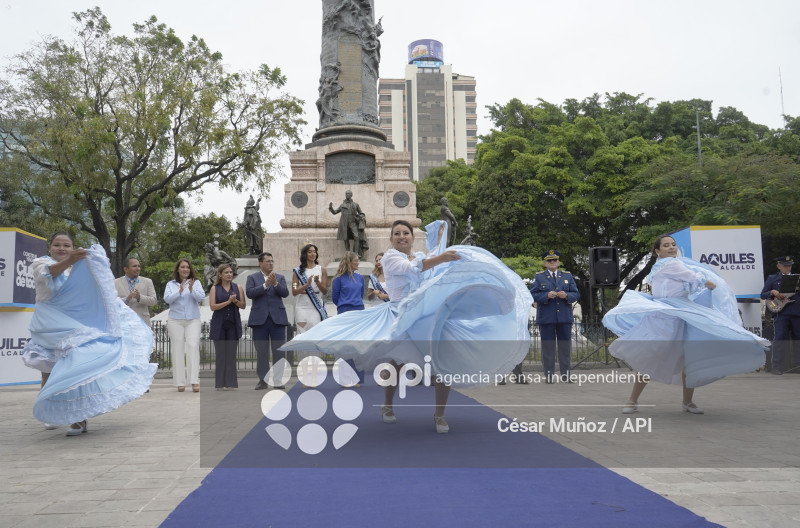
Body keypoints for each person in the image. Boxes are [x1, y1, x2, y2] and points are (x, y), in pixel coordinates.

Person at [281, 220, 532, 434]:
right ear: (391, 239)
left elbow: (430, 265)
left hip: (425, 316)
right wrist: (440, 257)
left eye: (406, 233)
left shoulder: (420, 256)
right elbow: (414, 269)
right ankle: (388, 404)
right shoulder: (391, 257)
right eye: (397, 234)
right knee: (397, 364)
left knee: (441, 362)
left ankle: (439, 415)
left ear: (412, 237)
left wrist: (441, 243)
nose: (402, 236)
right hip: (399, 314)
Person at [603, 234, 768, 414]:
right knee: (655, 358)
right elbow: (693, 277)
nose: (671, 247)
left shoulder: (663, 266)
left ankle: (676, 402)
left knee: (681, 358)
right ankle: (641, 401)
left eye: (673, 244)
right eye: (666, 245)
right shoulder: (670, 264)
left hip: (679, 315)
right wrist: (710, 284)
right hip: (667, 315)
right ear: (657, 251)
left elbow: (687, 285)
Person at [21, 232, 155, 436]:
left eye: (67, 245)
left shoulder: (79, 269)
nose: (61, 248)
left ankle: (78, 419)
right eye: (57, 245)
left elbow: (94, 293)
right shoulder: (41, 263)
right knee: (48, 371)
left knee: (76, 367)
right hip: (47, 323)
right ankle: (51, 411)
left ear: (73, 248)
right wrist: (71, 260)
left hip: (71, 324)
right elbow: (48, 274)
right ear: (50, 247)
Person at [529, 250, 580, 383]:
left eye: (554, 260)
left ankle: (566, 375)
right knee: (548, 348)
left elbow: (576, 294)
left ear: (558, 262)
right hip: (546, 318)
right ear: (545, 263)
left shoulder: (567, 276)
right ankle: (549, 376)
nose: (552, 262)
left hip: (564, 317)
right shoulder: (539, 277)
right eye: (549, 260)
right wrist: (546, 295)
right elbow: (532, 295)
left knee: (565, 347)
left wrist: (567, 295)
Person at [247, 251, 290, 390]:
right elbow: (249, 293)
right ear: (260, 263)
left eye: (272, 261)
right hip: (260, 320)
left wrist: (275, 284)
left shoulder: (280, 277)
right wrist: (265, 285)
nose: (271, 263)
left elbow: (285, 293)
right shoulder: (252, 277)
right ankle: (263, 380)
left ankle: (278, 380)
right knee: (262, 352)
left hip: (277, 319)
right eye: (268, 261)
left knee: (279, 351)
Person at [164, 258, 206, 393]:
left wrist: (191, 289)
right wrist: (180, 291)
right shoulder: (171, 284)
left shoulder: (196, 282)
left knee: (193, 346)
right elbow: (167, 299)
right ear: (178, 269)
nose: (185, 269)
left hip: (193, 320)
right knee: (178, 349)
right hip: (175, 320)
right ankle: (180, 382)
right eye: (182, 267)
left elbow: (201, 298)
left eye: (187, 267)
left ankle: (194, 381)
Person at [761, 256, 800, 374]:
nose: (788, 268)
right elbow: (763, 294)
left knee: (798, 338)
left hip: (796, 311)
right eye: (785, 265)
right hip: (781, 312)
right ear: (779, 266)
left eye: (790, 265)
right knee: (780, 338)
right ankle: (777, 366)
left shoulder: (797, 278)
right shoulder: (772, 278)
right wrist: (772, 292)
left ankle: (797, 365)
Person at [332, 252, 366, 386]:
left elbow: (361, 295)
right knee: (345, 347)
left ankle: (357, 378)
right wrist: (345, 305)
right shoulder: (338, 279)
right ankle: (346, 379)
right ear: (349, 262)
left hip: (359, 312)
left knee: (358, 346)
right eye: (356, 260)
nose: (358, 263)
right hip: (345, 312)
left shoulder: (360, 278)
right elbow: (335, 298)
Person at [209, 263, 245, 390]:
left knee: (231, 355)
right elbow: (213, 306)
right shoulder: (214, 288)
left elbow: (243, 305)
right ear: (220, 275)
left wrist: (235, 301)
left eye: (230, 272)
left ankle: (231, 383)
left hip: (233, 325)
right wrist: (228, 302)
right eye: (226, 272)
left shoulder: (238, 287)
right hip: (219, 325)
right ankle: (219, 384)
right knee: (220, 355)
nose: (229, 274)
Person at [292, 244, 328, 334]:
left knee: (316, 332)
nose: (313, 254)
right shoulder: (297, 271)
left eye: (314, 252)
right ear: (305, 254)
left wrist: (317, 282)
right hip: (302, 306)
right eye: (310, 252)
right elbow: (294, 291)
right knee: (302, 332)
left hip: (316, 305)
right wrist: (306, 285)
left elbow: (324, 291)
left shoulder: (322, 270)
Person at [329, 190, 365, 255]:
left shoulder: (356, 204)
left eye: (348, 193)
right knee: (346, 238)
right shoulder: (342, 205)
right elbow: (335, 212)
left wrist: (361, 217)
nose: (347, 194)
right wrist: (331, 208)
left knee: (356, 237)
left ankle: (355, 253)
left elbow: (361, 213)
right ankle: (347, 253)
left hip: (353, 223)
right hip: (344, 223)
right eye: (346, 193)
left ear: (351, 195)